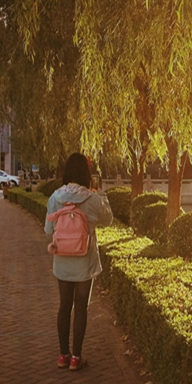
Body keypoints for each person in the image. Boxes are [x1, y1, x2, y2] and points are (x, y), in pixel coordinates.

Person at [45, 153, 113, 371]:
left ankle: (62, 355)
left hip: (63, 262)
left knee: (64, 307)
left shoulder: (55, 198)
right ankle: (76, 358)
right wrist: (102, 195)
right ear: (86, 173)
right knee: (81, 309)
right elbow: (108, 219)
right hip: (85, 262)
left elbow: (48, 232)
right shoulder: (92, 199)